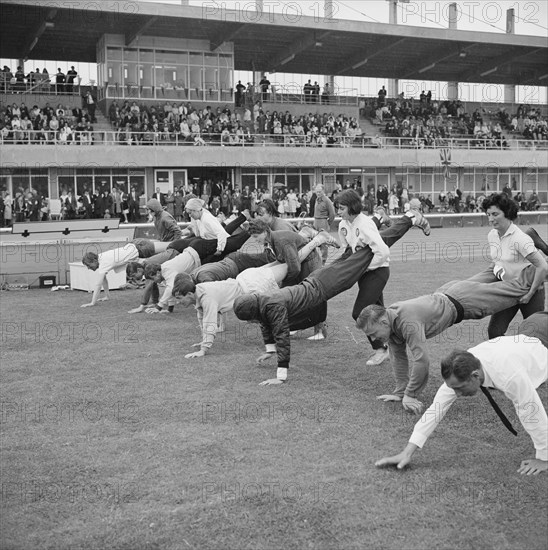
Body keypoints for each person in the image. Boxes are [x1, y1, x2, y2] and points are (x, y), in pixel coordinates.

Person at [233, 213, 429, 385]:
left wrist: (281, 375)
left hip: (323, 285)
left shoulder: (272, 308)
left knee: (366, 251)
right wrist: (269, 349)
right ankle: (379, 218)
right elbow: (266, 326)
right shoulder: (264, 302)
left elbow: (282, 338)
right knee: (354, 252)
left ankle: (408, 218)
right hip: (318, 280)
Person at [357, 264, 544, 414]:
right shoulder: (390, 323)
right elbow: (398, 359)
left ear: (382, 321)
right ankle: (512, 262)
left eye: (373, 333)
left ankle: (538, 262)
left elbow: (421, 360)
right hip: (452, 291)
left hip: (465, 300)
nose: (374, 338)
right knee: (497, 272)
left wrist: (411, 395)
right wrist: (400, 393)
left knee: (518, 288)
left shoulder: (406, 322)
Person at [375, 317, 547, 476]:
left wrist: (543, 457)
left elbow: (530, 409)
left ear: (475, 375)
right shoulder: (459, 371)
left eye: (459, 388)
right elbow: (436, 411)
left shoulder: (509, 375)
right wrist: (406, 452)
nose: (456, 393)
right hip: (531, 330)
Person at [170, 231, 333, 358]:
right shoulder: (199, 294)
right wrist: (202, 341)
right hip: (247, 279)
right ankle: (305, 236)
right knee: (285, 262)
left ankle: (316, 240)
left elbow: (209, 322)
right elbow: (202, 318)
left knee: (290, 264)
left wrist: (203, 349)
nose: (178, 303)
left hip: (253, 285)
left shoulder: (206, 297)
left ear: (188, 294)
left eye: (179, 298)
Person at [466, 193, 547, 339]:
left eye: (495, 214)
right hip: (508, 290)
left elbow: (542, 266)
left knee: (535, 334)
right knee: (495, 332)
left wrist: (530, 293)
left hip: (531, 290)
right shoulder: (492, 235)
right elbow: (498, 262)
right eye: (488, 214)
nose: (490, 219)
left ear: (507, 213)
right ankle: (505, 360)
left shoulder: (520, 239)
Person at [80, 239, 169, 307]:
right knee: (171, 246)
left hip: (140, 248)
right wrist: (107, 296)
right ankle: (155, 301)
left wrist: (92, 302)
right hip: (137, 245)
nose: (88, 268)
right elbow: (103, 280)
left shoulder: (103, 263)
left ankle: (157, 301)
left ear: (94, 260)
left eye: (88, 265)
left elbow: (98, 285)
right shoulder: (102, 259)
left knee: (172, 246)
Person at [312, 184, 336, 265]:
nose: (318, 193)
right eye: (317, 192)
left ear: (323, 191)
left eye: (320, 192)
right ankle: (315, 261)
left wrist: (327, 224)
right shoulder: (316, 199)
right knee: (314, 242)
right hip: (316, 222)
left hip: (323, 222)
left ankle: (323, 262)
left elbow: (332, 214)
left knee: (323, 244)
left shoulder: (327, 200)